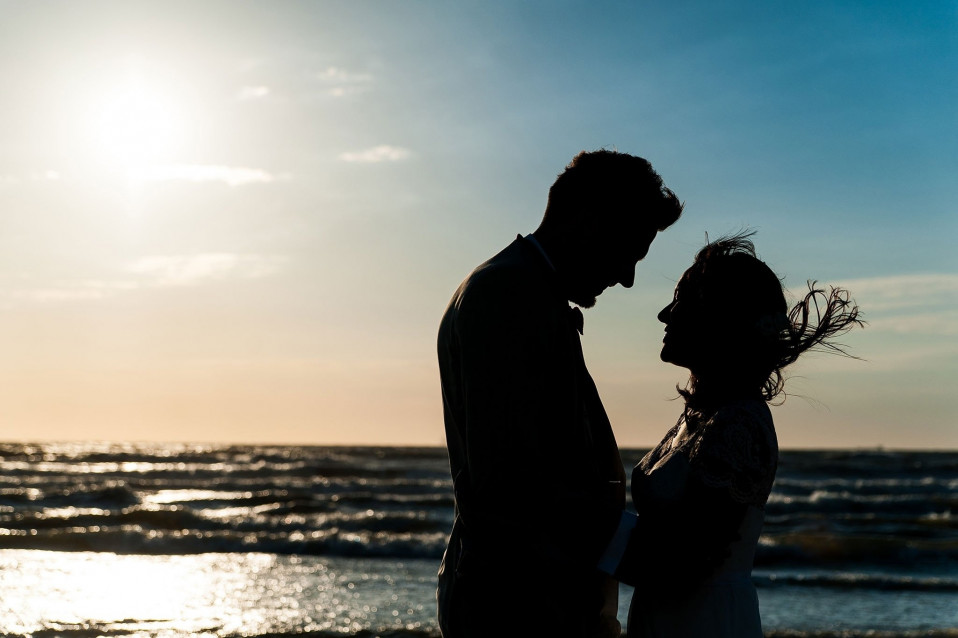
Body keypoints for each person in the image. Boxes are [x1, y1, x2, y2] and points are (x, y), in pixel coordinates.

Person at [436, 150, 683, 638]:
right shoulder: (507, 294)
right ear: (589, 220)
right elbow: (511, 480)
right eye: (629, 251)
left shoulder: (524, 289)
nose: (628, 278)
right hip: (518, 608)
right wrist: (644, 553)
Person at [618, 232, 863, 637]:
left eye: (679, 301)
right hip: (667, 617)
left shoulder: (739, 425)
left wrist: (572, 533)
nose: (664, 314)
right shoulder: (703, 414)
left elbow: (684, 564)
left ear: (717, 318)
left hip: (705, 622)